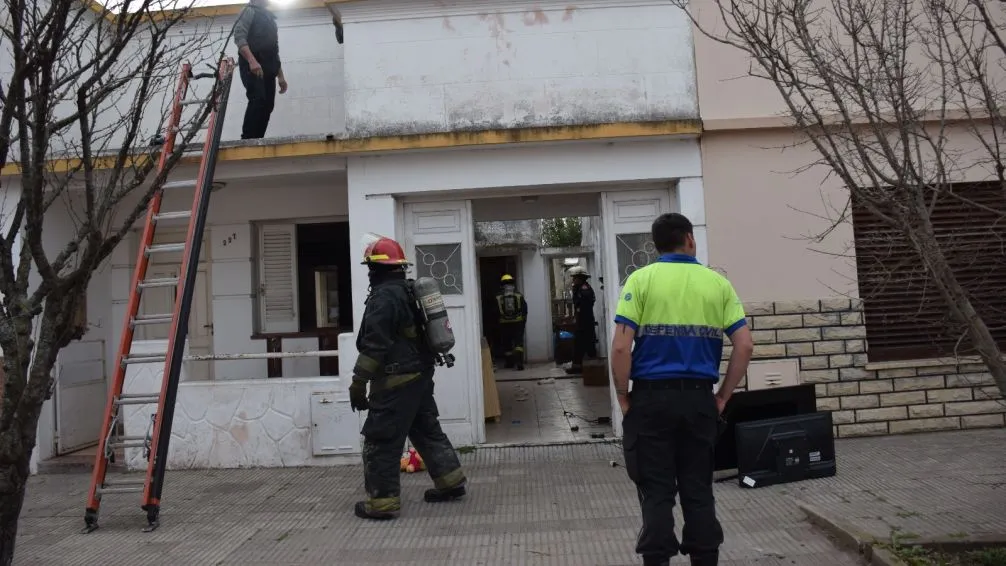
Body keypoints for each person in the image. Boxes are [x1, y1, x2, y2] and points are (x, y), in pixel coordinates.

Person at [610, 213, 754, 566]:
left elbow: (619, 348)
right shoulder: (718, 284)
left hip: (650, 400)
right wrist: (722, 396)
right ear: (689, 239)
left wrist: (623, 396)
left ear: (656, 245)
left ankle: (657, 559)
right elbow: (745, 345)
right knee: (698, 490)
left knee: (656, 491)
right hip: (698, 400)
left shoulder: (640, 281)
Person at [349, 235, 467, 520]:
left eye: (370, 268)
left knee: (381, 441)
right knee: (426, 429)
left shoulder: (384, 298)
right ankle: (450, 482)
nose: (369, 273)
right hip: (420, 377)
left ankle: (383, 503)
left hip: (395, 383)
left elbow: (374, 345)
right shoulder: (409, 291)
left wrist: (358, 382)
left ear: (376, 270)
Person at [233, 0, 288, 139]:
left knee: (268, 104)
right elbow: (239, 38)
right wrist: (252, 61)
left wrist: (280, 76)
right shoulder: (248, 11)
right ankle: (247, 139)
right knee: (258, 99)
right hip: (252, 64)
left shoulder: (270, 18)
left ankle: (257, 139)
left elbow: (274, 49)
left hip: (269, 67)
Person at [565, 265, 597, 375]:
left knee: (586, 345)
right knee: (580, 345)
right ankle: (580, 367)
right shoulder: (579, 289)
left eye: (575, 278)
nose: (573, 280)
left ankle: (592, 368)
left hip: (586, 322)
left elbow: (583, 306)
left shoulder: (585, 290)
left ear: (581, 278)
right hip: (582, 321)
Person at [495, 274, 528, 371]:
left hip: (504, 323)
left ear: (502, 284)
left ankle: (509, 363)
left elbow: (494, 311)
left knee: (507, 343)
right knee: (518, 343)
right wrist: (523, 321)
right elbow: (525, 310)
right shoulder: (519, 295)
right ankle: (519, 363)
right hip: (518, 323)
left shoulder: (498, 296)